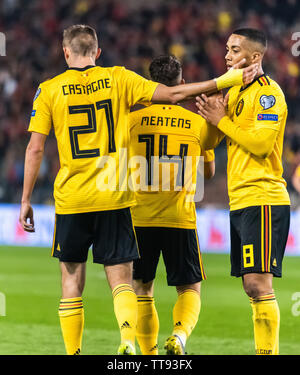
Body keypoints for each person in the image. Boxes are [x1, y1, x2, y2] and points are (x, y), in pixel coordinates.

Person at [19, 24, 257, 355]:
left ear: (65, 52)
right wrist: (229, 82)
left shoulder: (58, 93)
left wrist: (27, 198)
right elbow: (204, 144)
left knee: (86, 284)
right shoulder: (122, 81)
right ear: (98, 53)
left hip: (92, 202)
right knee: (141, 285)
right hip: (141, 205)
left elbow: (35, 149)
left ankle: (100, 351)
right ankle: (147, 340)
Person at [196, 28, 290, 355]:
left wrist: (221, 120)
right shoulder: (234, 92)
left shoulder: (269, 94)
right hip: (241, 200)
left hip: (263, 197)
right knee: (251, 287)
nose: (226, 56)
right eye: (226, 49)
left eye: (234, 51)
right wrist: (211, 117)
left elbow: (263, 146)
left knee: (258, 284)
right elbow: (208, 145)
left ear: (255, 57)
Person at [129, 55, 215, 355]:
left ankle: (149, 354)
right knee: (189, 288)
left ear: (151, 85)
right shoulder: (196, 123)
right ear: (181, 83)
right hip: (179, 218)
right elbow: (208, 172)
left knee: (141, 289)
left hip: (139, 219)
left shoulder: (131, 120)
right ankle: (178, 336)